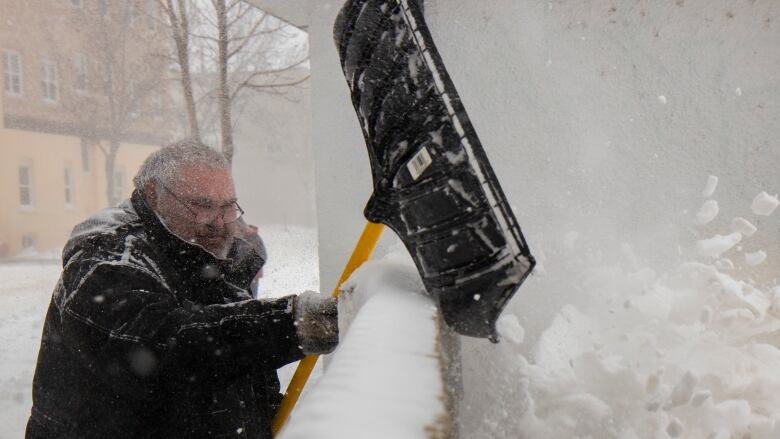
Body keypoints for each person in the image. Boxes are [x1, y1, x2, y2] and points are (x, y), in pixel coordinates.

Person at [25, 141, 338, 439]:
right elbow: (164, 346)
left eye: (228, 207)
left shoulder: (207, 259)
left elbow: (241, 378)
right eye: (201, 206)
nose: (218, 221)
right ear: (154, 194)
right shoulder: (107, 258)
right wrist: (290, 322)